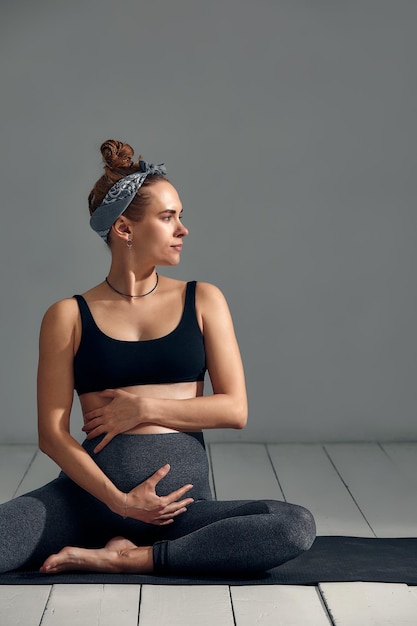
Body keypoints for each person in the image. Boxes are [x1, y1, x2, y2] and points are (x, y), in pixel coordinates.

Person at [0, 139, 315, 577]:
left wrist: (144, 408)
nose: (182, 229)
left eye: (180, 216)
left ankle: (131, 557)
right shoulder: (67, 316)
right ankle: (119, 542)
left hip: (180, 512)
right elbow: (52, 435)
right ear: (124, 229)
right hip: (85, 504)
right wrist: (121, 501)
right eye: (168, 218)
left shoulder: (203, 300)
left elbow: (235, 409)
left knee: (292, 526)